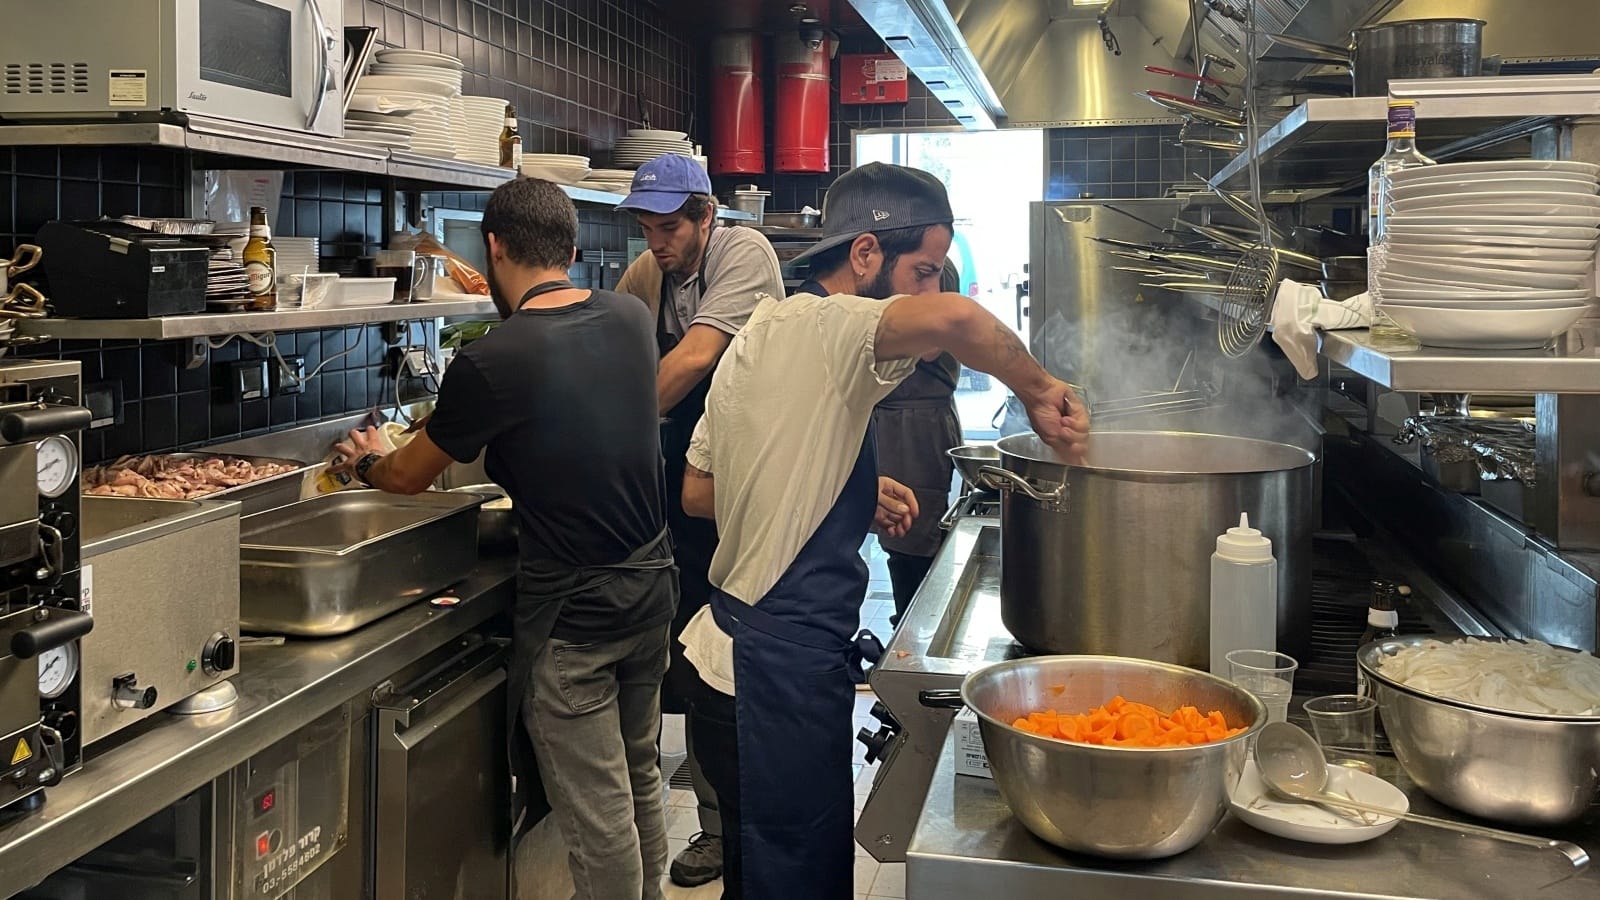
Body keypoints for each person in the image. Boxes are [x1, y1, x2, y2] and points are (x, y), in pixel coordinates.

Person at [678, 162, 1090, 899]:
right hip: (775, 680)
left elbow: (700, 492)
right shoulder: (832, 325)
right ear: (865, 254)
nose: (932, 291)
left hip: (723, 671)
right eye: (925, 270)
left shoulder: (760, 333)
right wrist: (1041, 390)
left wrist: (841, 487)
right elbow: (960, 321)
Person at [332, 178, 676, 900]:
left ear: (492, 247)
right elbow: (577, 426)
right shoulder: (628, 319)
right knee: (639, 770)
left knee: (598, 807)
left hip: (575, 614)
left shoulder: (493, 359)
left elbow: (406, 477)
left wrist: (363, 459)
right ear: (573, 249)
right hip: (651, 589)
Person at [613, 153, 785, 889]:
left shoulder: (744, 251)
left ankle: (760, 822)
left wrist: (602, 429)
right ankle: (717, 829)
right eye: (648, 228)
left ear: (706, 215)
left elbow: (694, 360)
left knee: (741, 658)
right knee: (693, 656)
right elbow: (606, 338)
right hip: (683, 489)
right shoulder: (649, 272)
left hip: (749, 487)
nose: (657, 242)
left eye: (670, 227)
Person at [871, 258, 963, 627]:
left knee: (913, 536)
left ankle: (915, 637)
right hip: (892, 417)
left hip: (917, 425)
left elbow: (928, 344)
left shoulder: (934, 268)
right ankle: (905, 630)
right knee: (895, 538)